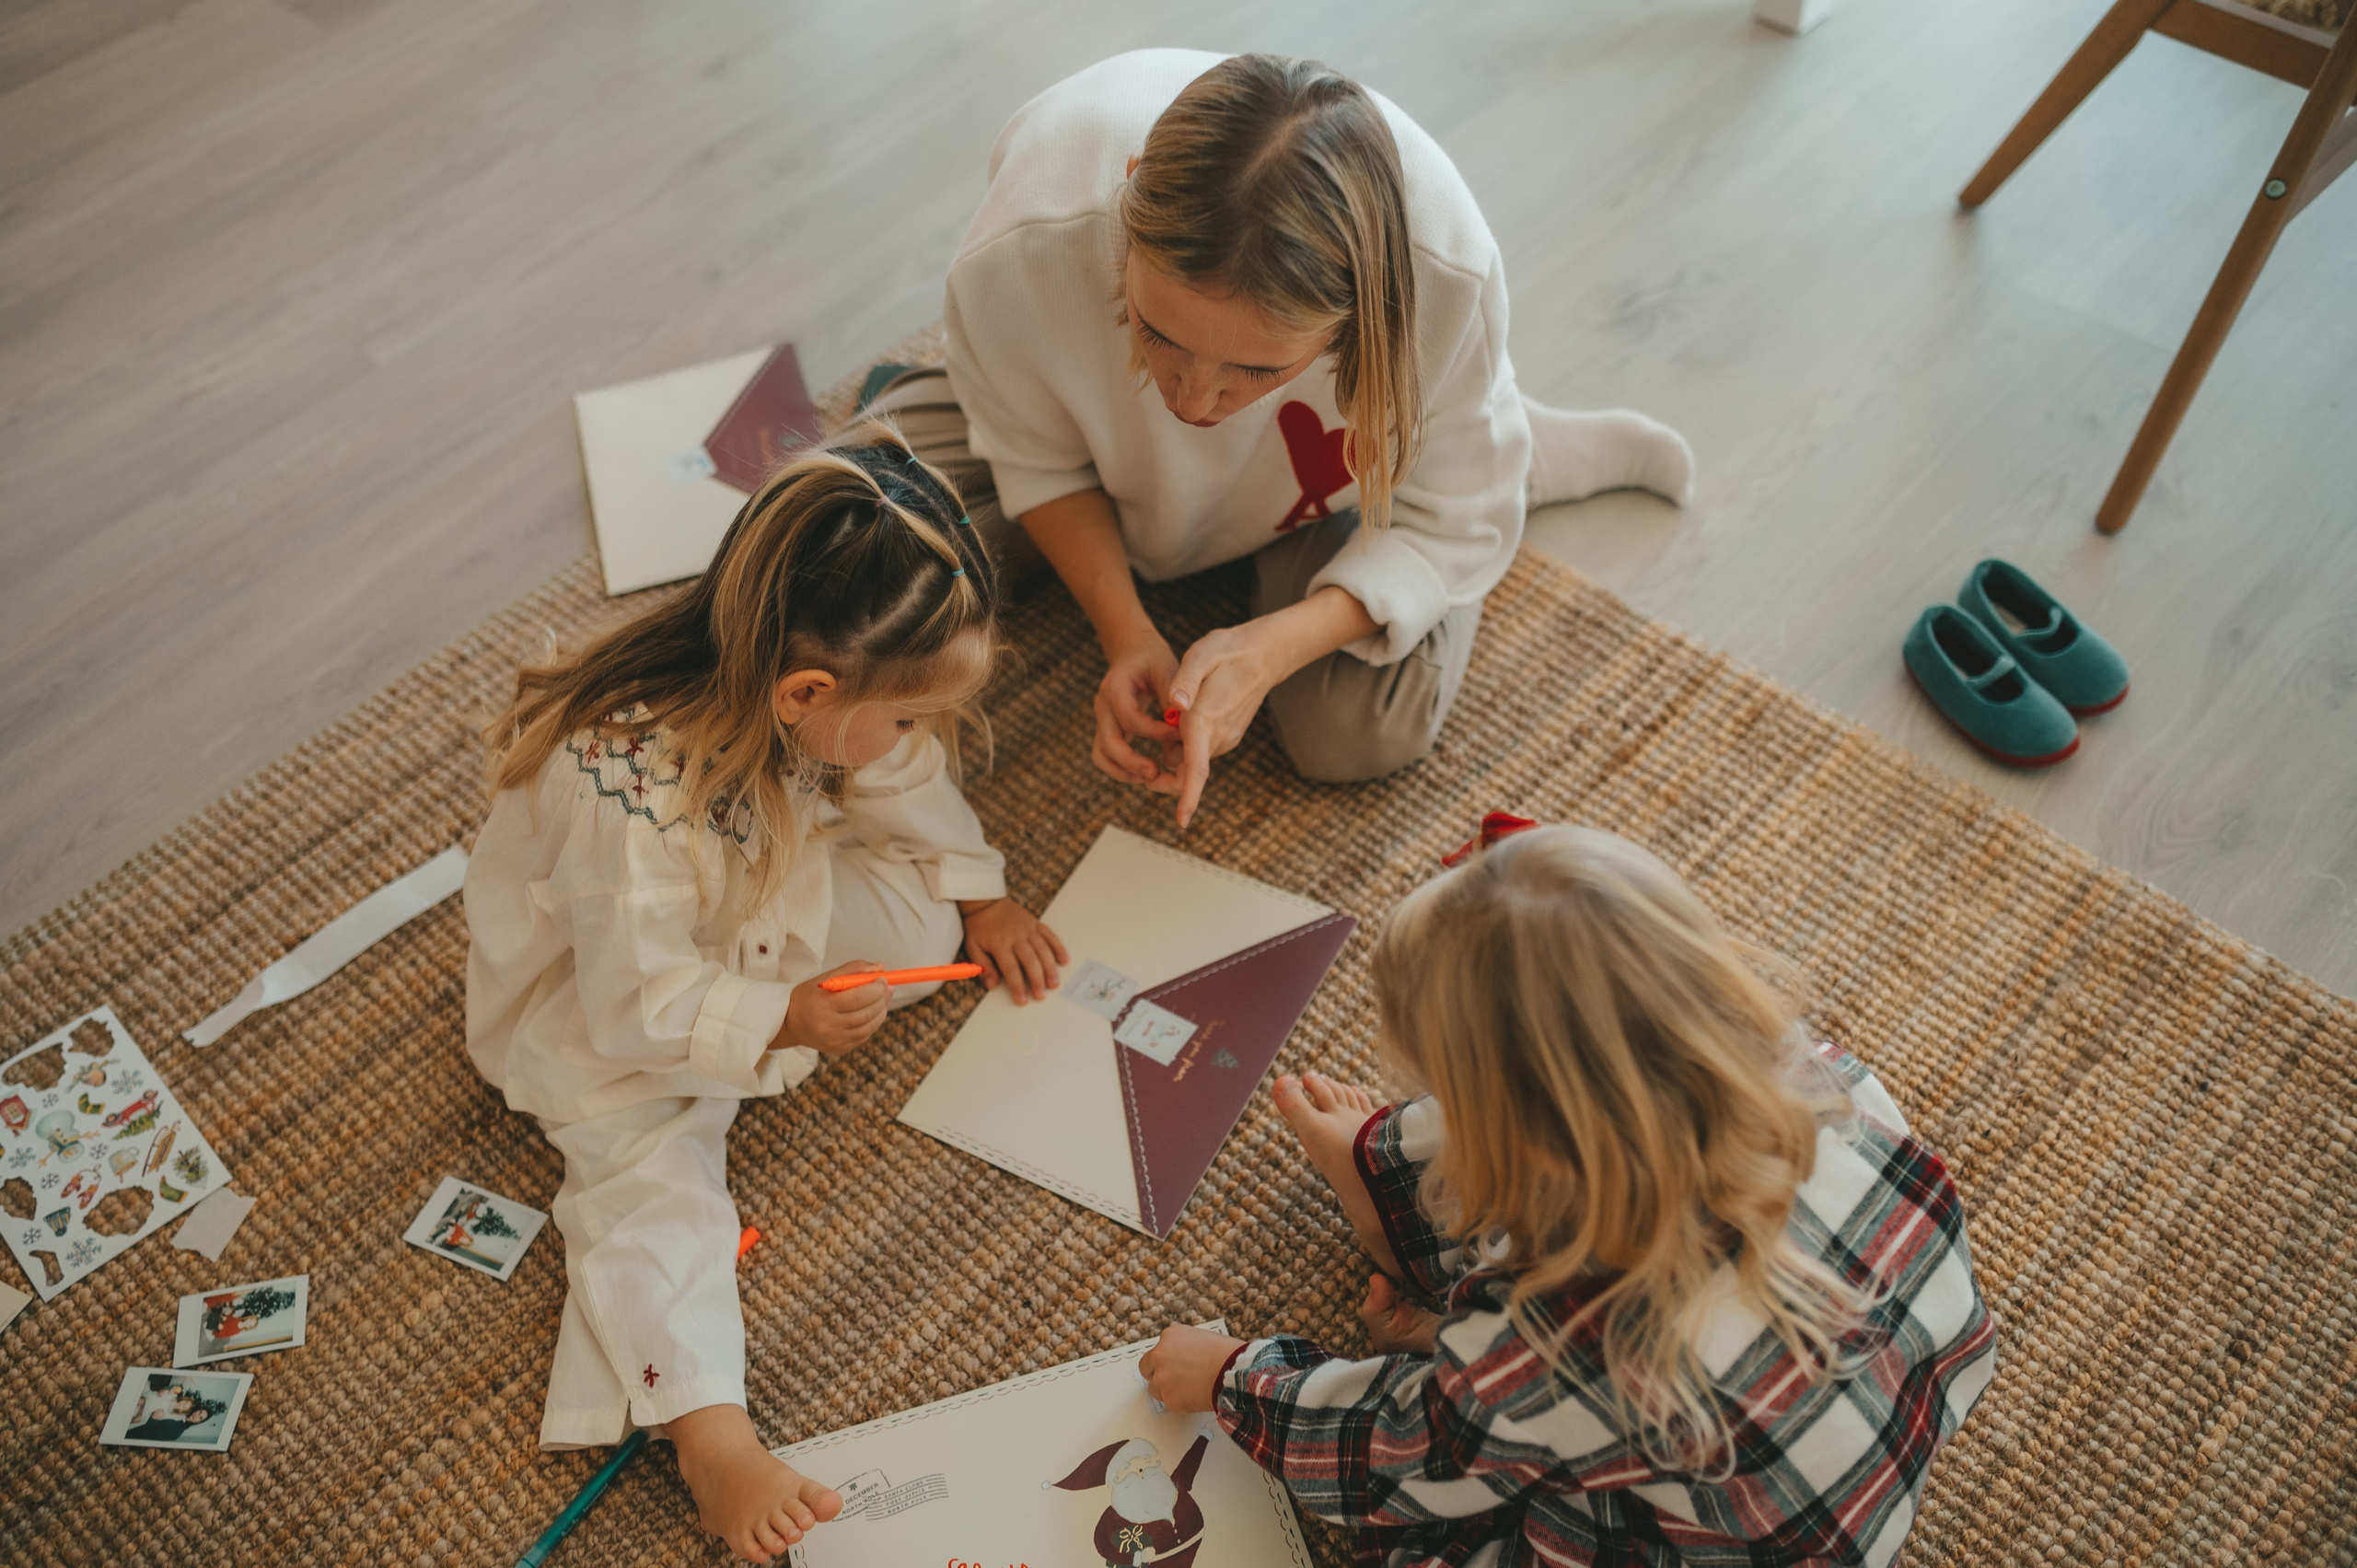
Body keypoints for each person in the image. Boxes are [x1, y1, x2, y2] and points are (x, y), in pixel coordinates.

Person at [463, 429, 1067, 1565]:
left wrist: (982, 902)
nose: (912, 739)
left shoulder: (816, 698)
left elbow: (898, 777)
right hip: (602, 1014)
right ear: (807, 692)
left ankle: (845, 954)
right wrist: (781, 1019)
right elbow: (631, 1003)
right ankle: (709, 1433)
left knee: (923, 921)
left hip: (753, 899)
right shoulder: (624, 802)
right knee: (650, 1185)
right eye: (903, 714)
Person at [1140, 819, 1997, 1566]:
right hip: (1860, 1438)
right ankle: (1391, 1186)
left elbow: (1395, 1461)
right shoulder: (1825, 1080)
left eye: (1451, 1099)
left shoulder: (1563, 1340)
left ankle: (1392, 1190)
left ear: (1517, 1147)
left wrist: (1231, 1377)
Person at [876, 51, 1694, 829]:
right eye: (1159, 334)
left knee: (1361, 728)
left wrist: (1270, 651)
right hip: (1080, 430)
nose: (1193, 402)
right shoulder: (1031, 238)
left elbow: (1453, 524)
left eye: (1255, 370)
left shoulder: (1445, 277)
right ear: (1129, 198)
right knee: (852, 551)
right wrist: (1125, 629)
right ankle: (1485, 439)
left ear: (1353, 309)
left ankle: (1500, 449)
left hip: (1317, 489)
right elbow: (1034, 451)